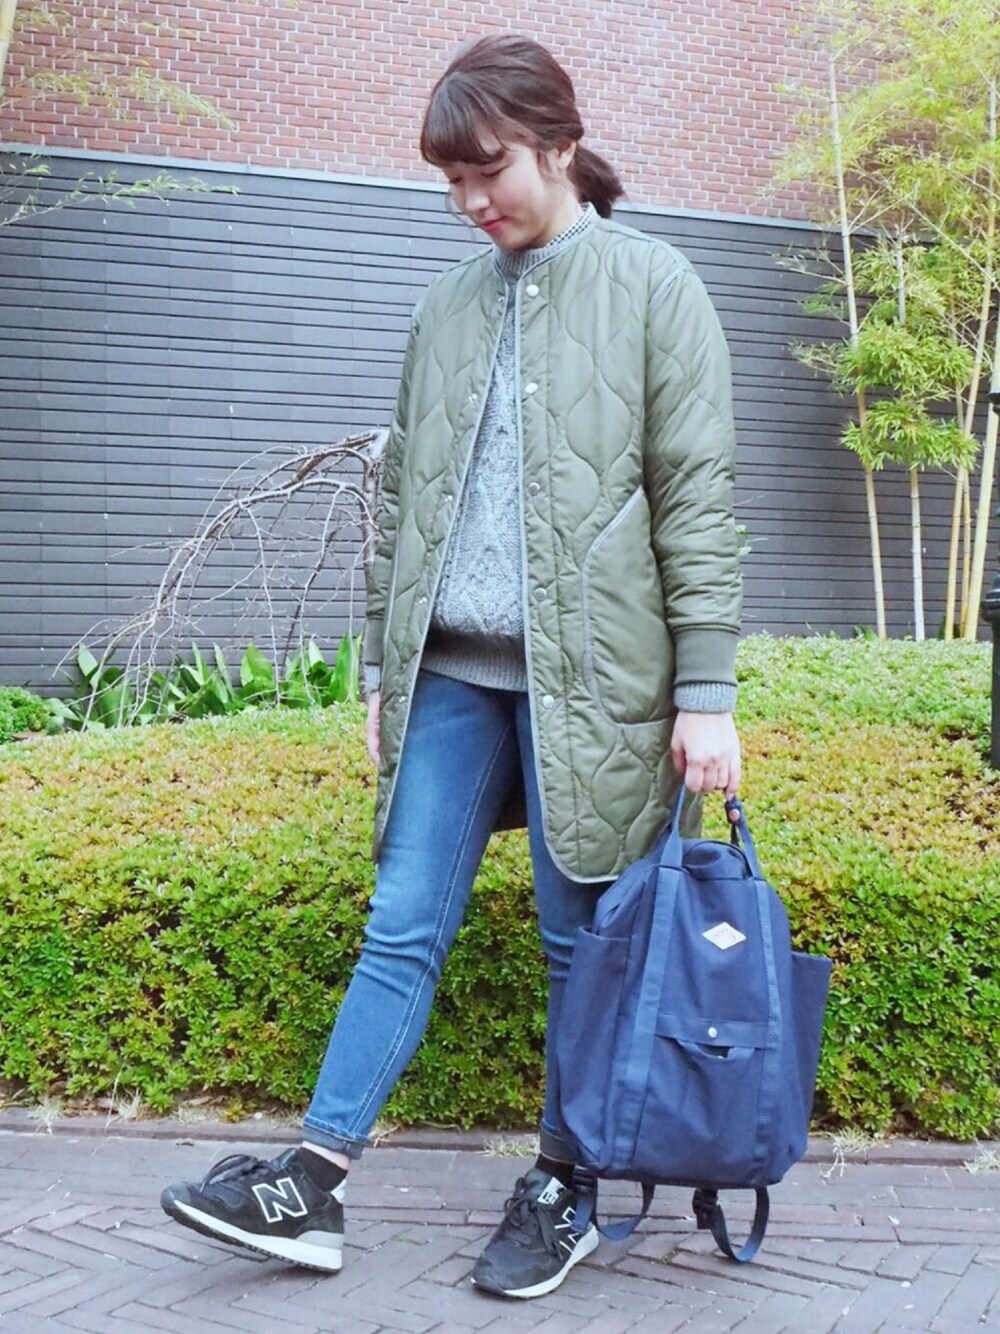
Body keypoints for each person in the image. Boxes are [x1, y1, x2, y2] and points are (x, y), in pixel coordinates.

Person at [161, 32, 742, 1300]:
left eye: (490, 171)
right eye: (453, 181)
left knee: (578, 942)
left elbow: (697, 501)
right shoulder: (446, 308)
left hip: (600, 681)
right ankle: (310, 1180)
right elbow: (407, 510)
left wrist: (706, 693)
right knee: (401, 920)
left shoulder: (656, 288)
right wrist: (385, 671)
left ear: (560, 147)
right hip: (452, 677)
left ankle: (565, 1186)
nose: (472, 200)